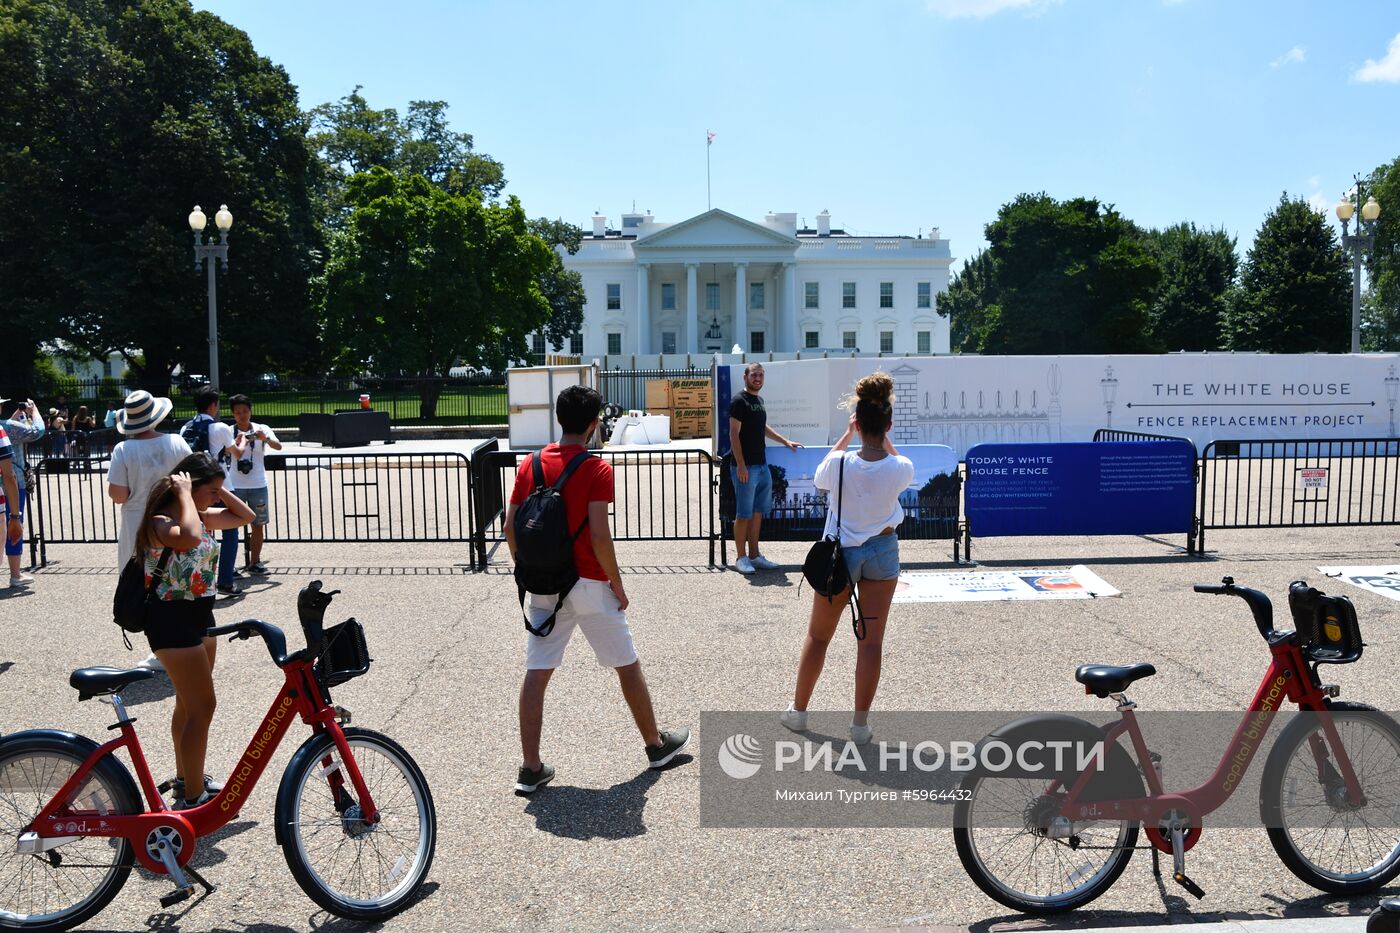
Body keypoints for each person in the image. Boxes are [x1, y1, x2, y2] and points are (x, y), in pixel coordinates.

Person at [504, 384, 690, 794]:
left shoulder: (530, 464)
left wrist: (528, 569)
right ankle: (655, 745)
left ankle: (530, 767)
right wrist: (617, 584)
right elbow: (600, 537)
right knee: (626, 665)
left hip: (544, 586)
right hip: (588, 580)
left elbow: (509, 526)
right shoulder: (596, 468)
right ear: (592, 426)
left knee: (537, 673)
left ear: (559, 418)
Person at [779, 372, 912, 745]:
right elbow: (901, 466)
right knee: (870, 643)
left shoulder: (837, 464)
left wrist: (848, 433)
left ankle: (799, 712)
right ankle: (859, 726)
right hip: (883, 550)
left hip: (842, 553)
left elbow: (825, 470)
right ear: (887, 424)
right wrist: (880, 434)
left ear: (857, 422)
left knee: (818, 637)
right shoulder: (900, 467)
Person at [135, 452, 254, 809]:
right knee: (203, 707)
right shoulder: (159, 523)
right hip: (170, 621)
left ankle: (187, 778)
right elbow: (186, 538)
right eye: (212, 491)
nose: (216, 497)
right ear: (188, 489)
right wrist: (185, 493)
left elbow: (245, 517)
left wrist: (218, 488)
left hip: (201, 618)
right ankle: (192, 799)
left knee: (189, 706)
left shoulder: (199, 516)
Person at [107, 390, 192, 670]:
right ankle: (185, 639)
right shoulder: (177, 443)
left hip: (137, 521)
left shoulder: (124, 449)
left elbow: (118, 494)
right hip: (175, 516)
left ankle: (160, 648)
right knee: (178, 579)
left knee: (144, 584)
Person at [727, 362, 801, 574]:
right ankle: (741, 558)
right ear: (745, 377)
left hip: (761, 465)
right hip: (745, 468)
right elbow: (733, 434)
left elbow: (762, 427)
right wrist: (741, 465)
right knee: (743, 514)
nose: (757, 378)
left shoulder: (758, 400)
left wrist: (785, 441)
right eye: (754, 374)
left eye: (760, 375)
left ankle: (754, 555)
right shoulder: (738, 401)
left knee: (758, 512)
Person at [180, 386, 247, 596]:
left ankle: (198, 576)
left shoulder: (185, 428)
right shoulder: (220, 428)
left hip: (196, 488)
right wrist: (242, 440)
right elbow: (237, 454)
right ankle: (226, 580)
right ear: (212, 405)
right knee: (231, 531)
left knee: (200, 532)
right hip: (221, 487)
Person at [227, 394, 281, 573]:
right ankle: (230, 566)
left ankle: (255, 562)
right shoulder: (228, 431)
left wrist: (263, 438)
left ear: (250, 411)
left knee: (258, 525)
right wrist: (234, 445)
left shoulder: (261, 428)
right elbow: (222, 455)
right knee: (230, 526)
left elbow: (278, 446)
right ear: (233, 414)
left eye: (244, 411)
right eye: (237, 412)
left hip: (258, 483)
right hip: (235, 485)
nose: (241, 415)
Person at [2, 398, 44, 588]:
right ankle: (15, 574)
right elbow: (38, 431)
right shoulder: (9, 427)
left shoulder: (8, 425)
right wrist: (34, 411)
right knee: (15, 524)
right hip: (12, 482)